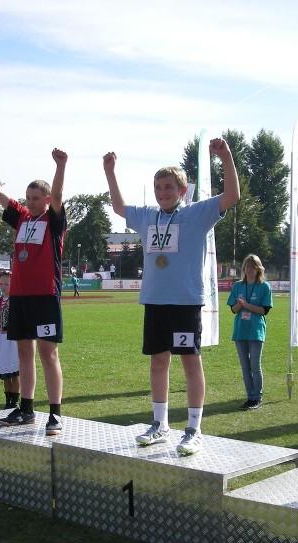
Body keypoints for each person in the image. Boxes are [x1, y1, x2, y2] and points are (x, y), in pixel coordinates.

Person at [103, 138, 240, 455]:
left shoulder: (197, 213)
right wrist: (110, 172)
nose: (162, 192)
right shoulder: (148, 216)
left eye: (168, 187)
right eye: (157, 187)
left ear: (182, 190)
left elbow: (232, 195)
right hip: (155, 301)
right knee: (157, 364)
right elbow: (119, 207)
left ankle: (194, 428)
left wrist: (226, 157)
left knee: (191, 364)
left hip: (185, 302)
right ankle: (160, 425)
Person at [0, 148, 68, 436]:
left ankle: (55, 414)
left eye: (37, 199)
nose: (31, 203)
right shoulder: (21, 218)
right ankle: (27, 409)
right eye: (28, 198)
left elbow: (58, 196)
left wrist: (60, 166)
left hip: (45, 296)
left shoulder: (54, 221)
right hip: (20, 297)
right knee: (24, 353)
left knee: (48, 354)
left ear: (46, 201)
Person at [227, 254, 273, 410]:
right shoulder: (238, 286)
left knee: (255, 365)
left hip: (255, 331)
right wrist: (240, 306)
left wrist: (246, 305)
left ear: (258, 269)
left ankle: (257, 397)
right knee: (245, 367)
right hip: (240, 331)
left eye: (253, 267)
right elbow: (233, 309)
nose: (249, 269)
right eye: (247, 266)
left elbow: (264, 310)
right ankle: (250, 397)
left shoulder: (264, 286)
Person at [0, 271, 21, 410]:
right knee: (5, 374)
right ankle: (8, 400)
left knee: (15, 372)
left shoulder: (16, 300)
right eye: (1, 284)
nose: (3, 286)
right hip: (0, 338)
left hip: (12, 339)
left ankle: (15, 400)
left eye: (7, 284)